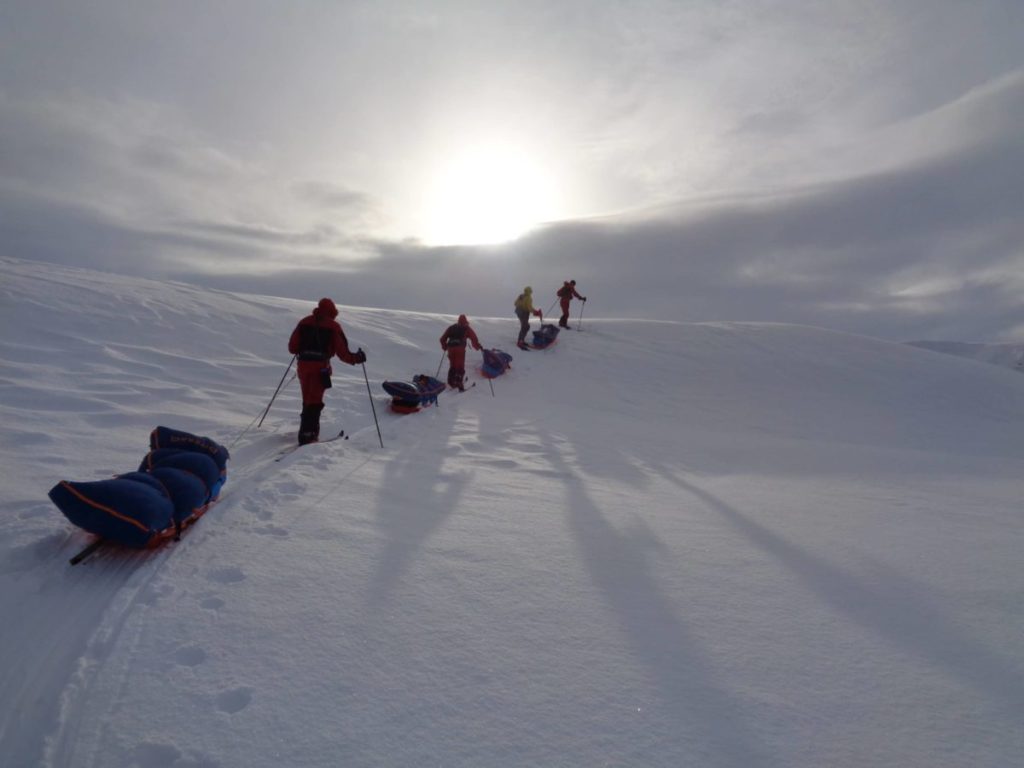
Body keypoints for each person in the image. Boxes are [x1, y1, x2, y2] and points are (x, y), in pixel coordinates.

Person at [287, 298, 366, 445]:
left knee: (307, 399)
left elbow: (292, 347)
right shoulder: (334, 326)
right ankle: (308, 436)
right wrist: (357, 358)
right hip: (320, 367)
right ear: (332, 312)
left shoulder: (304, 322)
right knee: (315, 401)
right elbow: (343, 353)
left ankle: (305, 431)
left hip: (303, 366)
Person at [439, 314, 482, 391]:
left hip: (450, 349)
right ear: (465, 321)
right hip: (460, 349)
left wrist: (444, 346)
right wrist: (478, 346)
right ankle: (459, 384)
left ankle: (451, 382)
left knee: (453, 365)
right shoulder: (466, 328)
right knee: (460, 366)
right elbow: (473, 338)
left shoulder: (451, 327)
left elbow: (442, 339)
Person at [514, 286, 542, 350]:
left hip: (519, 312)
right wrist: (535, 312)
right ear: (530, 292)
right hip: (524, 313)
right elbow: (529, 307)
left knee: (525, 326)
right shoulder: (528, 298)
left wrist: (521, 305)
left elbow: (515, 303)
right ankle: (520, 341)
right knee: (525, 326)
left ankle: (521, 340)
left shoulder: (521, 296)